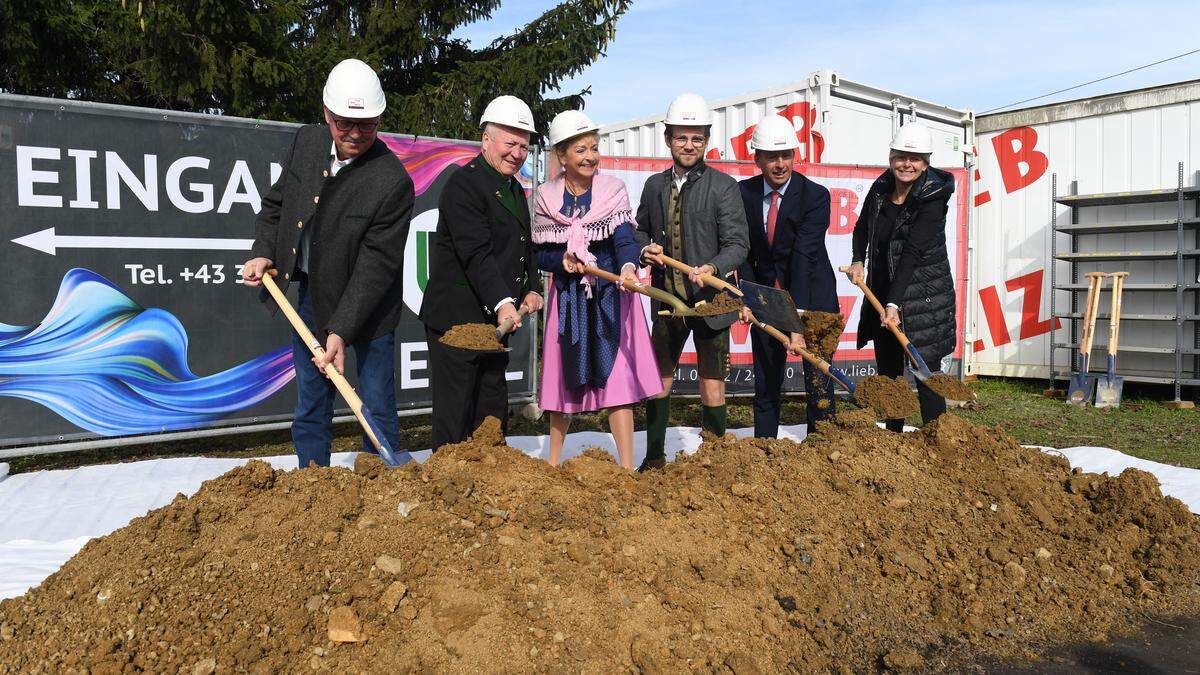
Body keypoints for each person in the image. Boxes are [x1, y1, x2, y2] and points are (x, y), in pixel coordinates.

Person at [242, 58, 414, 468]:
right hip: (312, 298)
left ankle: (384, 492)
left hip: (369, 309)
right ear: (326, 114)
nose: (355, 134)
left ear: (379, 119)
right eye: (343, 124)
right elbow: (277, 205)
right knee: (311, 401)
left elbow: (376, 266)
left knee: (374, 404)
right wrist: (264, 248)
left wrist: (340, 329)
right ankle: (311, 486)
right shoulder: (307, 143)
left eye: (367, 125)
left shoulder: (392, 182)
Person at [532, 111, 663, 471]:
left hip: (610, 297)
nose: (590, 156)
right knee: (562, 380)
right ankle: (553, 463)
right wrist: (563, 260)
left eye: (593, 147)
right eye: (580, 149)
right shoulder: (546, 196)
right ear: (562, 155)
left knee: (618, 381)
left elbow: (624, 239)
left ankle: (624, 468)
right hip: (569, 300)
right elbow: (540, 251)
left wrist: (626, 267)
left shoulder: (612, 190)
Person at [419, 95, 543, 449]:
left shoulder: (514, 189)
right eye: (510, 143)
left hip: (493, 322)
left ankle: (490, 480)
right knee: (455, 411)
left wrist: (531, 287)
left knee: (491, 406)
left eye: (524, 146)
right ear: (486, 140)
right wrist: (504, 301)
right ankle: (444, 485)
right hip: (457, 319)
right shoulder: (464, 185)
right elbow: (476, 252)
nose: (517, 153)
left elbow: (523, 245)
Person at [634, 93, 750, 471]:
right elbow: (638, 231)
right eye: (681, 137)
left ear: (706, 140)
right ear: (667, 138)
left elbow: (738, 244)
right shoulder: (653, 186)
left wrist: (713, 269)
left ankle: (713, 462)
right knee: (660, 379)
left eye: (696, 138)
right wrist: (643, 249)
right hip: (666, 300)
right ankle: (653, 458)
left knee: (712, 383)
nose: (689, 145)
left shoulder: (723, 187)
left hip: (711, 305)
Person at [844, 121, 956, 431]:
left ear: (925, 163)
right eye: (900, 156)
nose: (906, 164)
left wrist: (894, 302)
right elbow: (862, 227)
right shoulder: (882, 186)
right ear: (891, 156)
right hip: (883, 290)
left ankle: (938, 438)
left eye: (914, 158)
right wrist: (857, 260)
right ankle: (893, 439)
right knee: (889, 373)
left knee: (925, 372)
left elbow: (912, 253)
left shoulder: (933, 196)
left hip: (923, 296)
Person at [736, 114, 840, 438]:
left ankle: (823, 452)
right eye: (771, 157)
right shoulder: (743, 194)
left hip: (813, 298)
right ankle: (764, 451)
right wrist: (750, 299)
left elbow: (803, 257)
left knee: (819, 384)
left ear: (795, 155)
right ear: (757, 158)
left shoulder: (816, 196)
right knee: (766, 382)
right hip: (767, 300)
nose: (780, 164)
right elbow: (745, 251)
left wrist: (797, 322)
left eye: (786, 155)